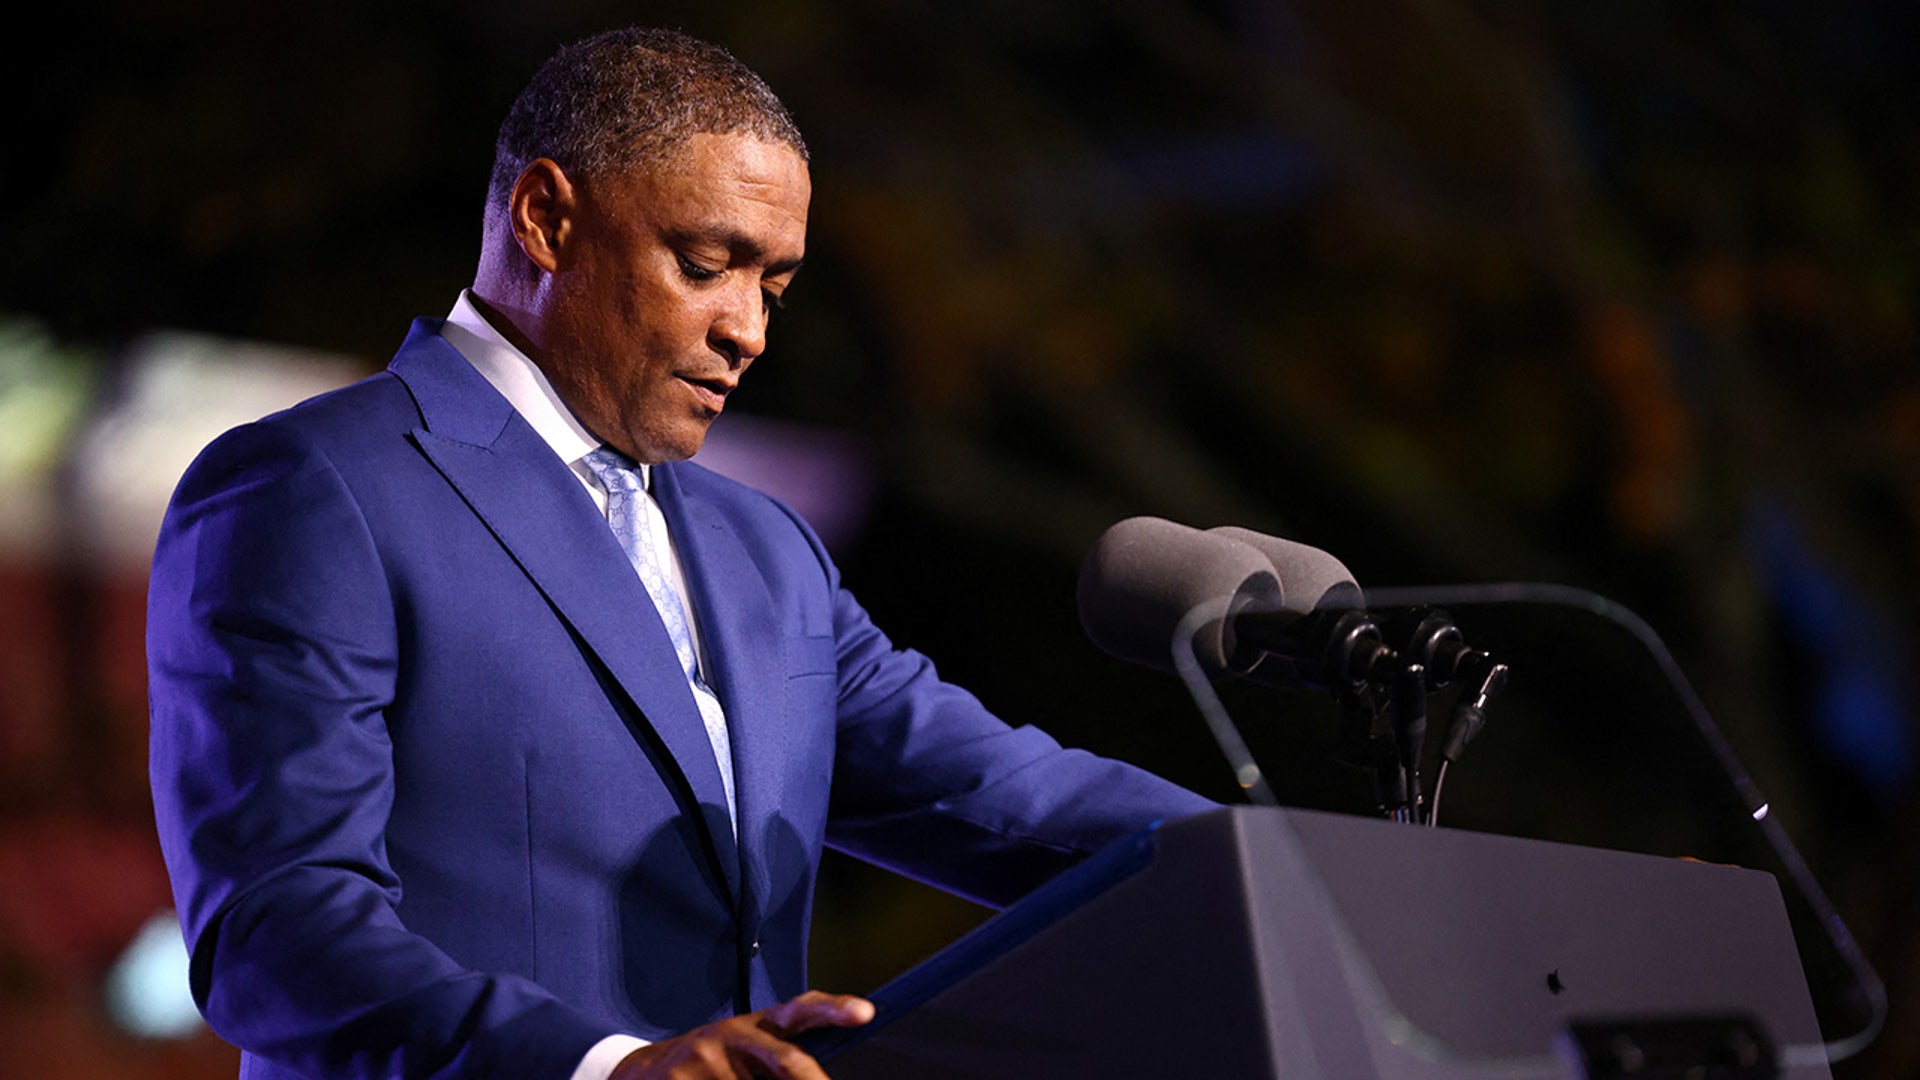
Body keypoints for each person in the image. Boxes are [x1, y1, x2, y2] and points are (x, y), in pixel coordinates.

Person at [146, 26, 1213, 1080]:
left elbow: (1003, 796)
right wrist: (607, 1067)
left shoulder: (767, 550)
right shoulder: (317, 489)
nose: (748, 328)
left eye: (775, 288)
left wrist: (1304, 868)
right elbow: (274, 929)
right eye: (708, 265)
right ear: (548, 219)